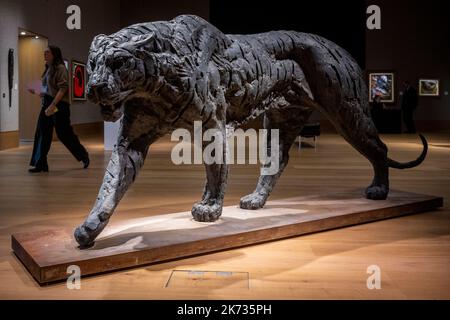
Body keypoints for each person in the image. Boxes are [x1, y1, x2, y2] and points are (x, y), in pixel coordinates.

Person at [27, 45, 89, 173]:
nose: (45, 53)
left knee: (63, 133)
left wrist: (53, 105)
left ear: (54, 54)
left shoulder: (60, 68)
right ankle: (41, 163)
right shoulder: (48, 69)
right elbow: (47, 90)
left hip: (59, 104)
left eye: (47, 52)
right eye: (44, 52)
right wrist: (36, 89)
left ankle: (83, 156)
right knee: (42, 132)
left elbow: (63, 88)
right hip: (48, 103)